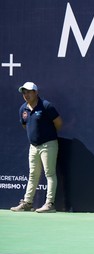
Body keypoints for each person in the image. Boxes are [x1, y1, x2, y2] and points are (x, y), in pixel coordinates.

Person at [10, 82, 63, 213]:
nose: (26, 95)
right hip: (33, 147)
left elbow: (58, 123)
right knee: (33, 175)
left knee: (49, 174)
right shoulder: (23, 109)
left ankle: (49, 204)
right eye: (24, 92)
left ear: (36, 92)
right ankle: (27, 203)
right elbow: (25, 126)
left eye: (28, 92)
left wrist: (46, 136)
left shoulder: (46, 106)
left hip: (48, 145)